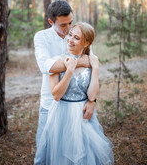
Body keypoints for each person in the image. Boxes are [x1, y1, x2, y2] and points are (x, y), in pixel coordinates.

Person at [34, 22, 114, 165]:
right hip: (61, 116)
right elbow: (56, 95)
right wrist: (69, 70)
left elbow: (91, 95)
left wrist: (95, 68)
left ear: (87, 43)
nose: (70, 40)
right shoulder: (56, 62)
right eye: (70, 35)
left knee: (85, 156)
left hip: (83, 116)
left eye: (76, 38)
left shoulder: (90, 62)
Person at [34, 0, 96, 149]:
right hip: (50, 102)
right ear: (51, 21)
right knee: (44, 150)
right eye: (63, 25)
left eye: (70, 23)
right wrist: (77, 62)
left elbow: (92, 65)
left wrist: (93, 101)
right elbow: (45, 67)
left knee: (75, 149)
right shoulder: (41, 37)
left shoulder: (78, 33)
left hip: (77, 106)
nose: (68, 29)